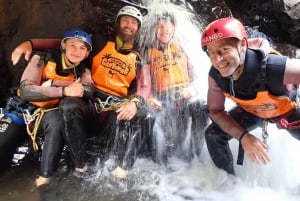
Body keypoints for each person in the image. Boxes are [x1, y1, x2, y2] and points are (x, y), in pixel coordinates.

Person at [11, 6, 149, 179]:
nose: (129, 25)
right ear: (118, 23)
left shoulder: (139, 58)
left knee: (139, 115)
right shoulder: (99, 42)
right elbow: (68, 42)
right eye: (125, 20)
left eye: (134, 22)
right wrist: (31, 43)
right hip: (90, 100)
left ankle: (118, 169)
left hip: (114, 103)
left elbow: (145, 86)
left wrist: (135, 103)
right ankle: (80, 165)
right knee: (69, 105)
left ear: (138, 28)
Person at [201, 16, 300, 175]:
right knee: (213, 135)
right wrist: (244, 137)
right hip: (253, 112)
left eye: (224, 50)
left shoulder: (273, 67)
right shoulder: (216, 76)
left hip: (289, 112)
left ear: (243, 45)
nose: (217, 59)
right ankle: (228, 187)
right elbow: (216, 111)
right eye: (211, 52)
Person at [3, 28, 93, 186]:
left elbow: (89, 90)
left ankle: (45, 177)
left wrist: (53, 83)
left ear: (87, 53)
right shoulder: (42, 57)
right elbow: (26, 90)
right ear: (63, 46)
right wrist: (63, 90)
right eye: (72, 45)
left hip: (45, 116)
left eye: (82, 48)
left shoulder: (83, 70)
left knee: (57, 120)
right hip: (20, 111)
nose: (76, 51)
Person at [137, 3, 209, 164]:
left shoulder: (184, 48)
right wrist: (149, 99)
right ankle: (163, 160)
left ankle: (194, 155)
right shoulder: (148, 53)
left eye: (168, 26)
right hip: (163, 97)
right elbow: (145, 82)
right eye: (160, 27)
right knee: (155, 120)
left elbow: (199, 77)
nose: (164, 31)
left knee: (202, 108)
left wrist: (191, 89)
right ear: (155, 30)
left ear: (174, 28)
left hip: (185, 94)